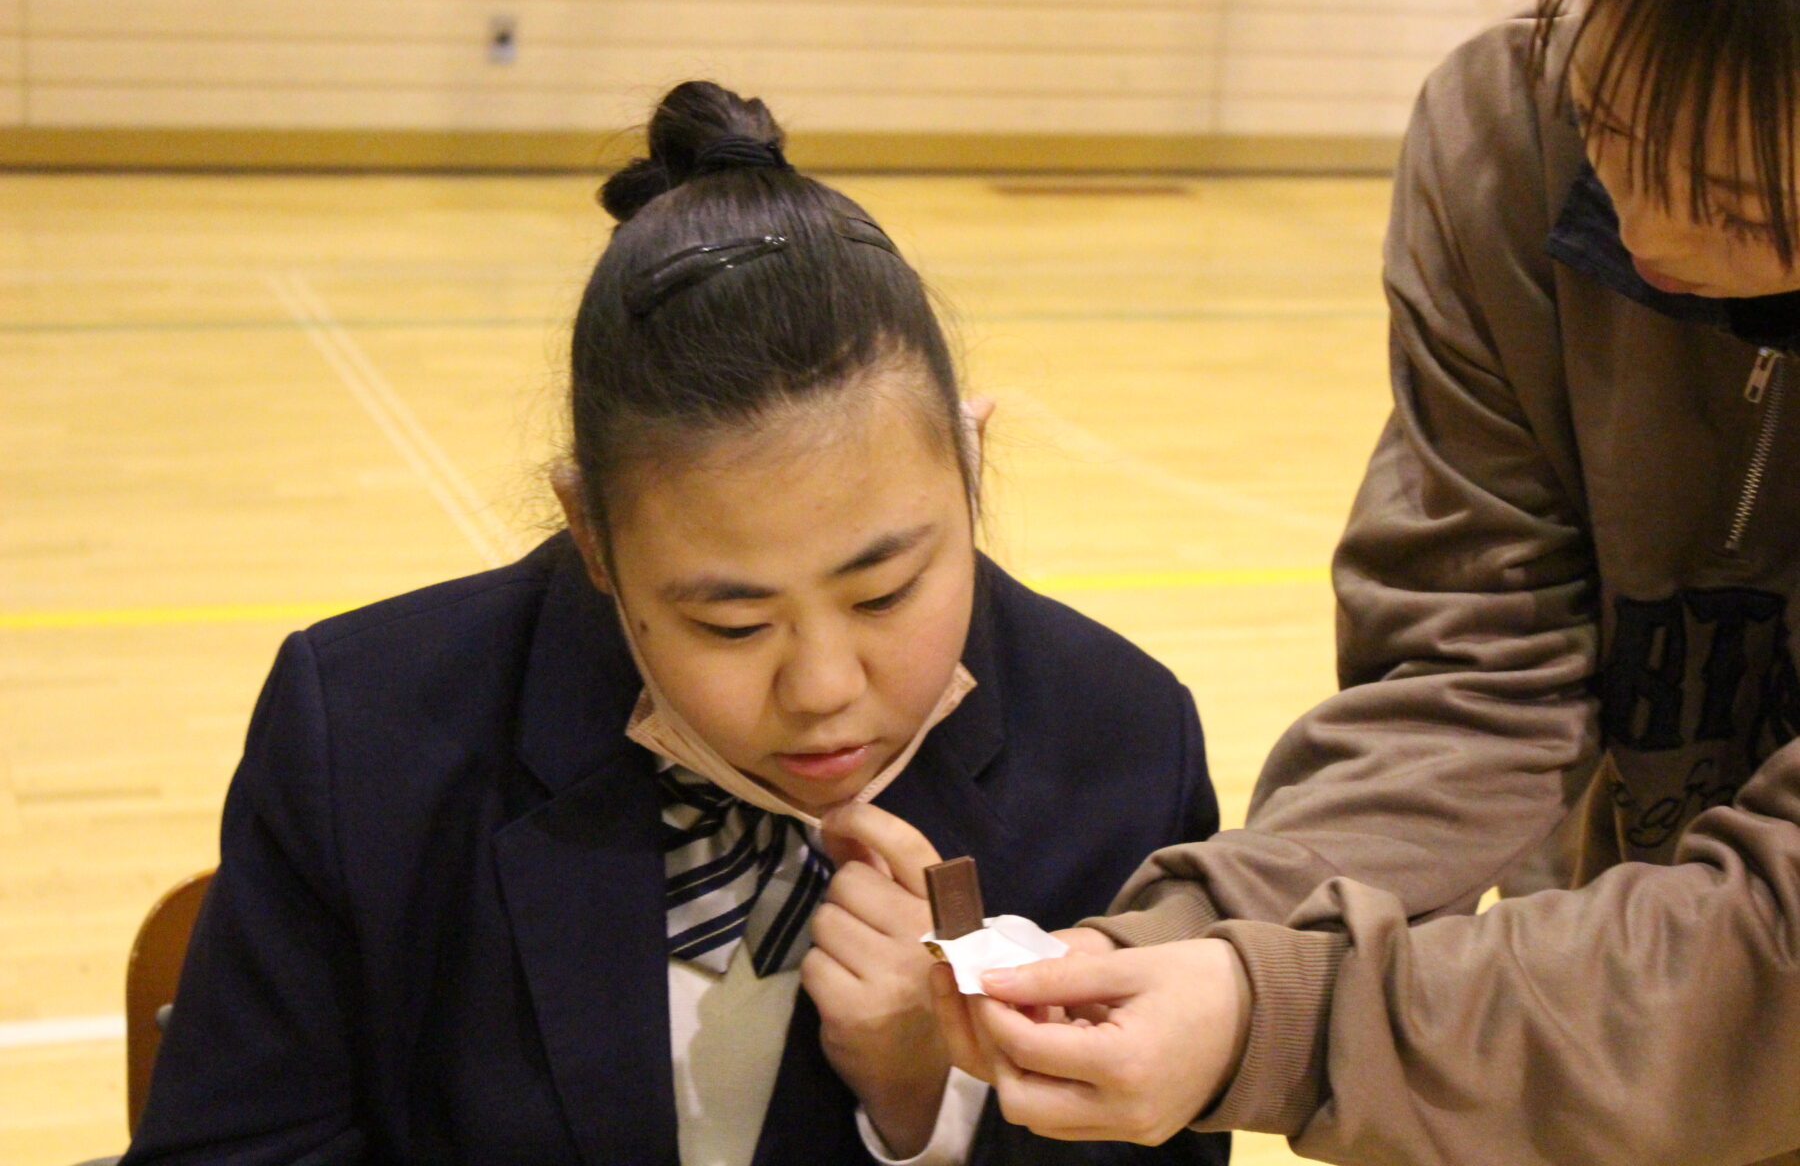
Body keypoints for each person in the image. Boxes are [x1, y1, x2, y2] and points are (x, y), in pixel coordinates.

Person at [118, 81, 1228, 1166]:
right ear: (592, 536)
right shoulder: (365, 734)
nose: (825, 687)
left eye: (886, 594)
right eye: (730, 623)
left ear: (974, 463)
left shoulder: (1121, 745)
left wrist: (922, 1102)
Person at [934, 0, 1800, 1164]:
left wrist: (1286, 1019)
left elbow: (1779, 957)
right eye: (1612, 128)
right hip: (1616, 1021)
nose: (1642, 235)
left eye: (1741, 208)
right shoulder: (1513, 139)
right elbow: (1474, 678)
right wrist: (1198, 937)